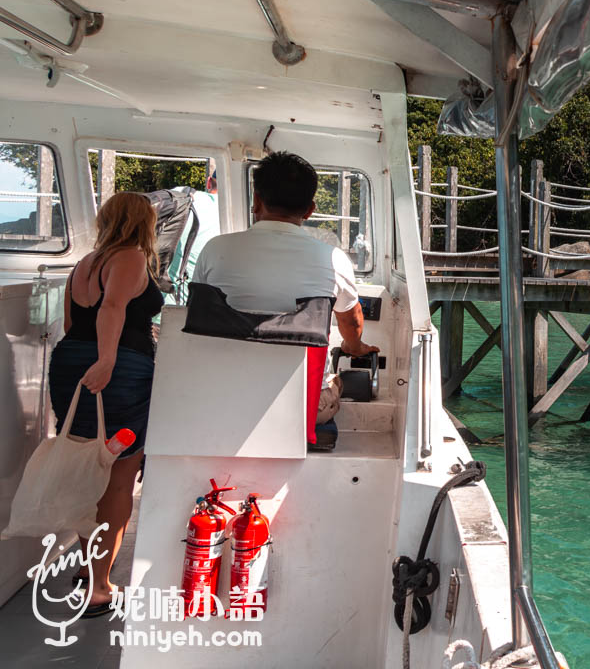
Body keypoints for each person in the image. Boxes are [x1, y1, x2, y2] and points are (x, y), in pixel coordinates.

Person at [191, 152, 377, 448]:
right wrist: (354, 347)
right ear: (310, 210)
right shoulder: (333, 260)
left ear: (256, 201)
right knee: (335, 383)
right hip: (300, 407)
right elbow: (351, 321)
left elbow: (196, 312)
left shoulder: (214, 251)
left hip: (222, 398)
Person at [48, 192, 164, 615]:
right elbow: (112, 307)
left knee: (89, 468)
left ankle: (88, 569)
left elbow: (70, 323)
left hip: (69, 364)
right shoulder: (131, 257)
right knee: (118, 475)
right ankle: (99, 586)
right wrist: (108, 360)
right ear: (143, 222)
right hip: (119, 374)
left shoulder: (84, 263)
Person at [163, 170, 220, 306]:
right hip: (207, 306)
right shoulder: (242, 214)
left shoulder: (182, 195)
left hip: (165, 299)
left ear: (209, 182)